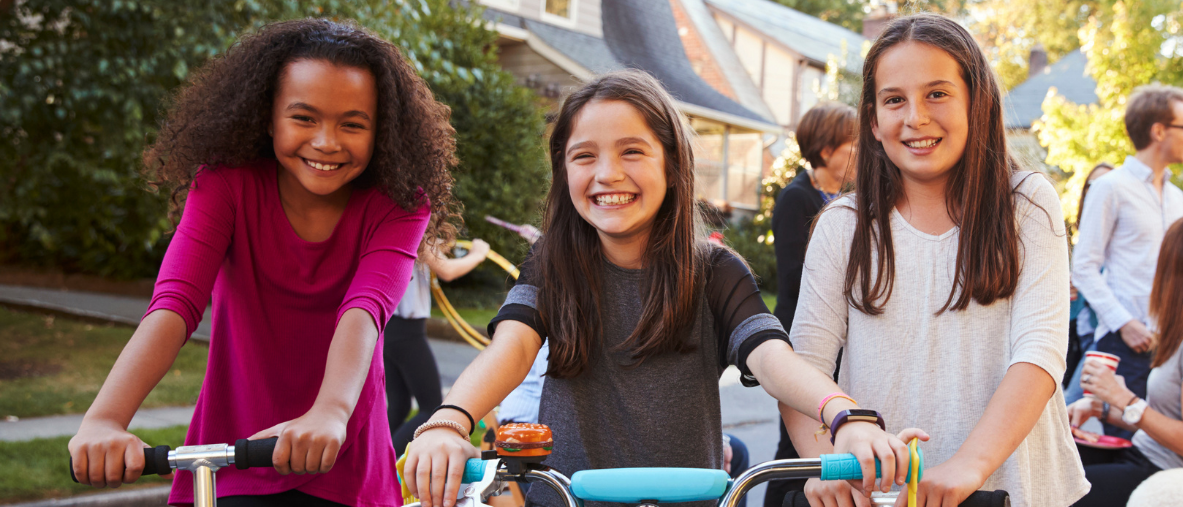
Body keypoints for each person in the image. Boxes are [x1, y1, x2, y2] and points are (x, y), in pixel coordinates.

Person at [402, 71, 920, 507]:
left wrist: (846, 415)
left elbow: (772, 360)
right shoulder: (551, 262)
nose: (607, 174)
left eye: (632, 151)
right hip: (565, 498)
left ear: (672, 165)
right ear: (563, 169)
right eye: (584, 156)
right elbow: (511, 349)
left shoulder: (715, 270)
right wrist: (449, 421)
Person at [67, 19, 460, 507]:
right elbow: (175, 303)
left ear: (382, 132)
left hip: (341, 454)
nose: (326, 142)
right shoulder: (225, 185)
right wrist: (105, 419)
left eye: (352, 124)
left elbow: (365, 308)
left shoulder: (399, 203)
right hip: (234, 450)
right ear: (267, 117)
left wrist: (330, 412)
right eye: (304, 118)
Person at [786, 14, 1090, 507]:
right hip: (878, 494)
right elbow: (803, 369)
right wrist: (824, 464)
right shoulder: (844, 224)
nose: (915, 117)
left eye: (937, 94)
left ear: (977, 101)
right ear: (873, 120)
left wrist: (969, 464)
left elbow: (1040, 353)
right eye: (894, 100)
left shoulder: (1028, 205)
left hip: (1013, 487)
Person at [1067, 213, 1183, 506]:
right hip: (1149, 459)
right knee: (1052, 462)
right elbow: (1166, 426)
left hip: (1169, 480)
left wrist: (1124, 398)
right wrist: (1101, 408)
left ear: (1175, 265)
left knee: (1057, 489)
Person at [1069, 85, 1183, 439]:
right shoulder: (1111, 188)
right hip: (1125, 343)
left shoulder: (1177, 198)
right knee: (1125, 447)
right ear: (1159, 131)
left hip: (1169, 342)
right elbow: (1084, 266)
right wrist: (1125, 324)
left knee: (1159, 441)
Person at [764, 102, 858, 507]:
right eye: (853, 144)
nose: (862, 152)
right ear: (826, 150)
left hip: (839, 336)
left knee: (828, 437)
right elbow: (792, 276)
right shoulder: (796, 198)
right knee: (795, 443)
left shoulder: (849, 197)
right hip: (800, 336)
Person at [387, 239, 491, 455]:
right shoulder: (414, 221)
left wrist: (438, 247)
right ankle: (385, 467)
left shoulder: (392, 220)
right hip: (406, 330)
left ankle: (372, 470)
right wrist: (478, 254)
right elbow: (447, 270)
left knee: (399, 405)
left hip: (388, 328)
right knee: (431, 408)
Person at [1066, 162, 1116, 385]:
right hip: (1075, 332)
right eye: (1092, 185)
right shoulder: (1076, 237)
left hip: (1102, 332)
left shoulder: (1120, 240)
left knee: (1073, 402)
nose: (1098, 191)